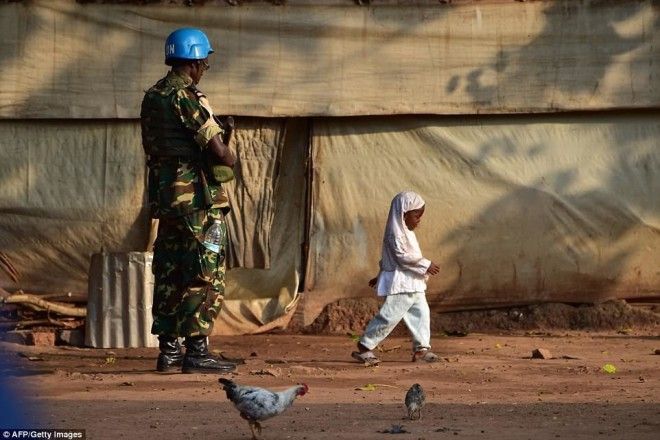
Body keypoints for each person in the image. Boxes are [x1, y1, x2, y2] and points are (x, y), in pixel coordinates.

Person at [140, 28, 237, 374]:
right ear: (194, 62)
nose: (204, 69)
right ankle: (197, 351)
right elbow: (220, 154)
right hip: (197, 200)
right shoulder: (186, 98)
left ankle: (168, 352)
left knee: (169, 271)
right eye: (204, 64)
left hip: (167, 201)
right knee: (205, 272)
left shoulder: (152, 97)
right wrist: (228, 146)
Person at [351, 191, 441, 366]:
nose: (419, 220)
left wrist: (379, 275)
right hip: (402, 284)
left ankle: (421, 349)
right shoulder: (395, 233)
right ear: (403, 213)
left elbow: (387, 259)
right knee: (390, 316)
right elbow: (401, 257)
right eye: (416, 215)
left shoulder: (407, 233)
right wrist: (426, 264)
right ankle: (364, 346)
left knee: (422, 314)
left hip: (414, 284)